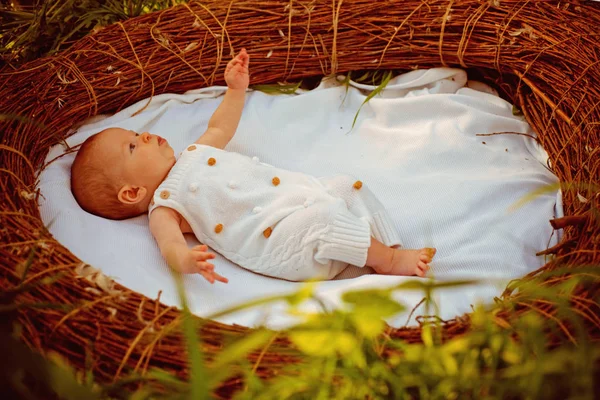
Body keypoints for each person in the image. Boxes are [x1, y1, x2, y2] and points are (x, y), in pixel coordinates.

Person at [71, 49, 436, 284]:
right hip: (278, 243)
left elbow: (221, 126)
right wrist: (186, 259)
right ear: (132, 192)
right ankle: (387, 261)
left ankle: (384, 243)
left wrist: (235, 90)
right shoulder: (165, 205)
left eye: (138, 132)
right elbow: (168, 245)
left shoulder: (194, 153)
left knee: (345, 185)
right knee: (324, 218)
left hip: (295, 203)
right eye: (133, 145)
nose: (147, 136)